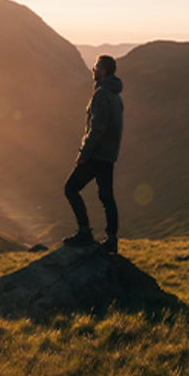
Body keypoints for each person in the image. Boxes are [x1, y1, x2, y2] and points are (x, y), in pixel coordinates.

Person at [63, 54, 124, 254]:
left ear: (103, 72)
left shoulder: (101, 94)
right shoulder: (116, 95)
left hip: (96, 155)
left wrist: (84, 153)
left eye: (96, 67)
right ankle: (112, 239)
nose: (93, 70)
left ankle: (84, 231)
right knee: (107, 197)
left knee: (71, 188)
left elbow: (97, 129)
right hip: (108, 156)